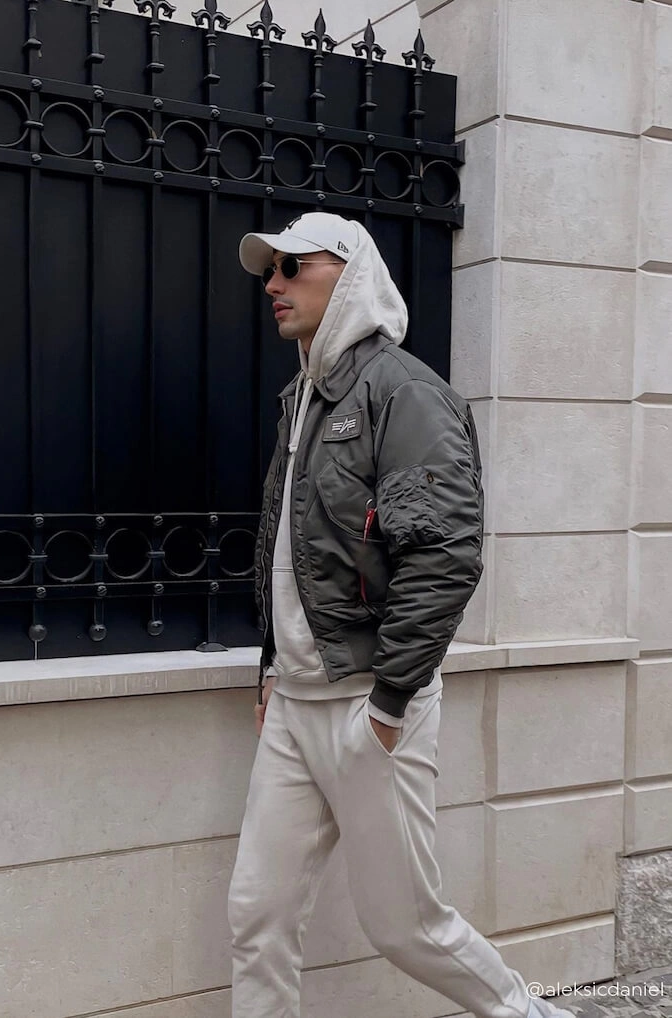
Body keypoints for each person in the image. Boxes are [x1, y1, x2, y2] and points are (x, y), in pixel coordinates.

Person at [228, 212, 572, 1018]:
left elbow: (443, 555)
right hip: (295, 706)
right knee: (257, 916)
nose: (273, 284)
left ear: (347, 273)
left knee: (405, 926)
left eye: (291, 266)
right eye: (269, 269)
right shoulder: (303, 397)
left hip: (370, 700)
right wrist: (274, 667)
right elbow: (291, 549)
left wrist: (389, 706)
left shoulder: (403, 393)